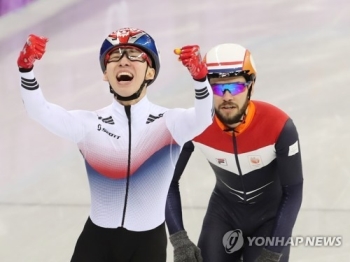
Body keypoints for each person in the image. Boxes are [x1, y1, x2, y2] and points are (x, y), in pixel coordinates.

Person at [17, 28, 213, 262]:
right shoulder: (88, 124)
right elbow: (39, 111)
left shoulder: (170, 123)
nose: (123, 61)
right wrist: (26, 70)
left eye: (134, 55)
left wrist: (201, 79)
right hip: (96, 242)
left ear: (150, 72)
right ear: (105, 75)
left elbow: (204, 118)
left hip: (147, 244)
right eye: (115, 57)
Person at [166, 43, 303, 262]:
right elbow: (167, 182)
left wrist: (274, 251)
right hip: (223, 216)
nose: (227, 96)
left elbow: (293, 190)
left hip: (269, 220)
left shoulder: (278, 125)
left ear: (251, 86)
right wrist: (179, 240)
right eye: (218, 88)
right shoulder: (194, 125)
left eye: (236, 87)